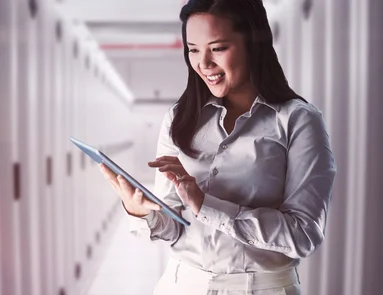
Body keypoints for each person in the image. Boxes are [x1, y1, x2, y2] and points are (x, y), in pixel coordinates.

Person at [99, 0, 336, 294]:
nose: (204, 63)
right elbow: (172, 226)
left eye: (218, 48)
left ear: (253, 42)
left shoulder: (297, 120)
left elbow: (303, 235)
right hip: (180, 284)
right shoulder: (180, 118)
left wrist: (205, 204)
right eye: (193, 50)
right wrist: (141, 212)